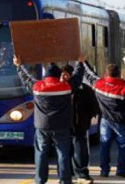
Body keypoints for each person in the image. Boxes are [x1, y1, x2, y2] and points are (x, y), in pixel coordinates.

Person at [14, 55, 85, 184]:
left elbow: (25, 78)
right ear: (58, 76)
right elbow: (77, 78)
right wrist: (80, 63)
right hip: (62, 126)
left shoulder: (37, 86)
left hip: (42, 126)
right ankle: (65, 180)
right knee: (63, 154)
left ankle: (40, 180)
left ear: (45, 76)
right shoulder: (66, 87)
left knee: (41, 153)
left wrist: (19, 66)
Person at [83, 62, 125, 178]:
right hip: (122, 122)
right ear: (119, 74)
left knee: (105, 145)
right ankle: (121, 170)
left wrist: (83, 63)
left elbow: (89, 75)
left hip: (105, 121)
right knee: (123, 146)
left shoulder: (99, 84)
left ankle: (104, 171)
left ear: (106, 73)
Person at [61, 64, 99, 184]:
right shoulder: (58, 88)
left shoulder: (85, 89)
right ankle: (66, 175)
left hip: (80, 125)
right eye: (62, 74)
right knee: (65, 151)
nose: (64, 77)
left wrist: (86, 119)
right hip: (64, 126)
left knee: (80, 151)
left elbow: (94, 107)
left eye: (66, 74)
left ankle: (82, 174)